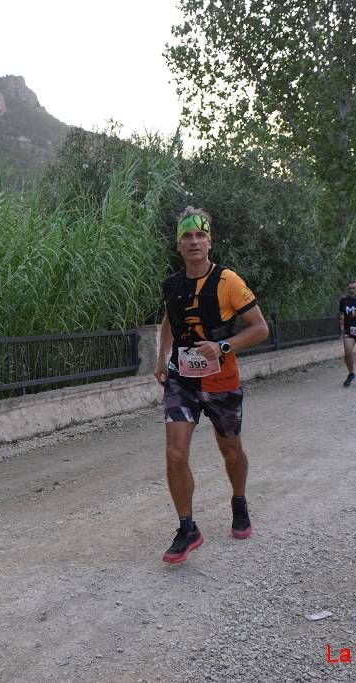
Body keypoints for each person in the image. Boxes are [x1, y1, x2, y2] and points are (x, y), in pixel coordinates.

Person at [154, 207, 269, 563]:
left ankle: (239, 500)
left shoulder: (227, 281)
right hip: (182, 381)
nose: (194, 242)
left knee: (230, 450)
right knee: (175, 453)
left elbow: (260, 328)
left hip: (221, 380)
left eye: (199, 235)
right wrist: (162, 358)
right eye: (187, 236)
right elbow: (169, 321)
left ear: (209, 241)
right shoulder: (173, 284)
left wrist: (221, 347)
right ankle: (187, 528)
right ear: (178, 244)